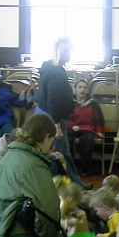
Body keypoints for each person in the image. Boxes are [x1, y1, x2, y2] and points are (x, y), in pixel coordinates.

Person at [36, 36, 83, 184]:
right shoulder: (56, 73)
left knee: (65, 154)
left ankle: (77, 185)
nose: (70, 55)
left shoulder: (50, 69)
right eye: (68, 51)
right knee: (54, 155)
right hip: (53, 119)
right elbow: (53, 102)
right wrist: (57, 127)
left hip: (50, 116)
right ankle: (54, 186)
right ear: (61, 52)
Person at [67, 78, 106, 174]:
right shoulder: (69, 103)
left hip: (88, 129)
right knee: (67, 139)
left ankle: (84, 168)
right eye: (80, 87)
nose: (82, 90)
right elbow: (66, 117)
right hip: (73, 128)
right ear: (75, 89)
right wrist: (72, 125)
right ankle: (71, 167)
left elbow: (99, 119)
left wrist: (99, 131)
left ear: (87, 90)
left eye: (84, 88)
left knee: (88, 140)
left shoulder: (93, 104)